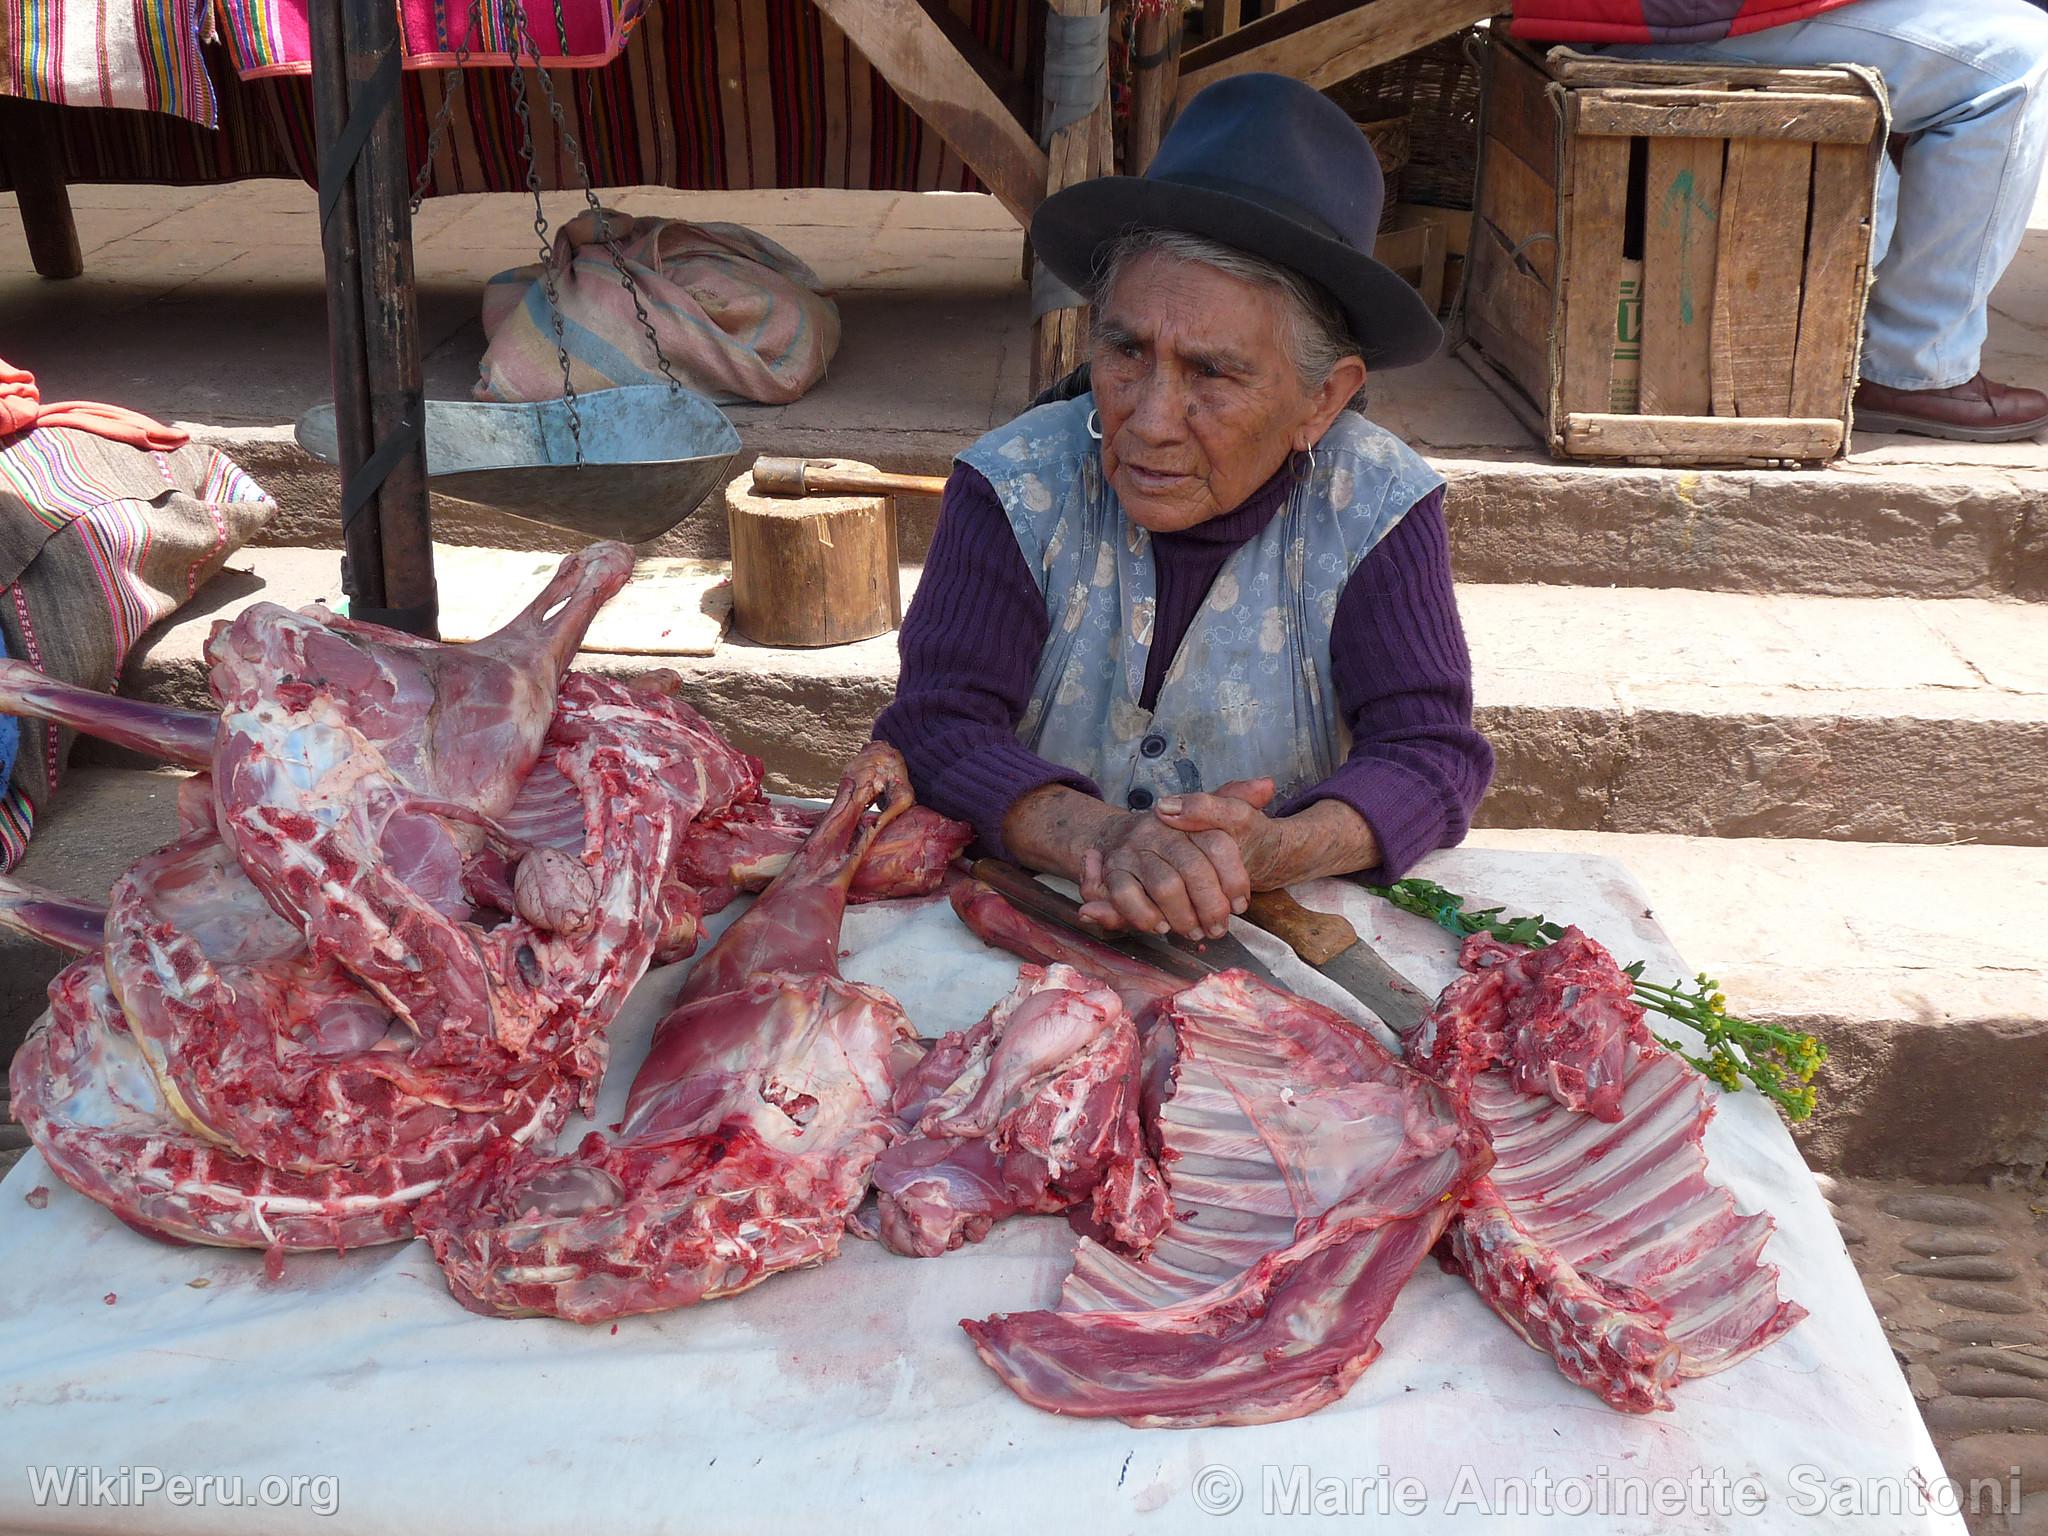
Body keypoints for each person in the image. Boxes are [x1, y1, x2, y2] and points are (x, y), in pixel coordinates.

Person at [872, 74, 1493, 942]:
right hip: (1021, 925)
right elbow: (938, 727)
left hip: (1273, 940)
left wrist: (1275, 850)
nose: (1151, 421)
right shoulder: (1016, 483)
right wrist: (1107, 839)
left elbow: (1429, 754)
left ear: (1322, 399)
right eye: (1125, 348)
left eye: (1213, 372)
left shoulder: (1377, 503)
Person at [1515, 0, 2048, 441]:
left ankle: (1856, 334)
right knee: (2019, 56)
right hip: (1659, 17)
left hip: (1630, 12)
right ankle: (1915, 366)